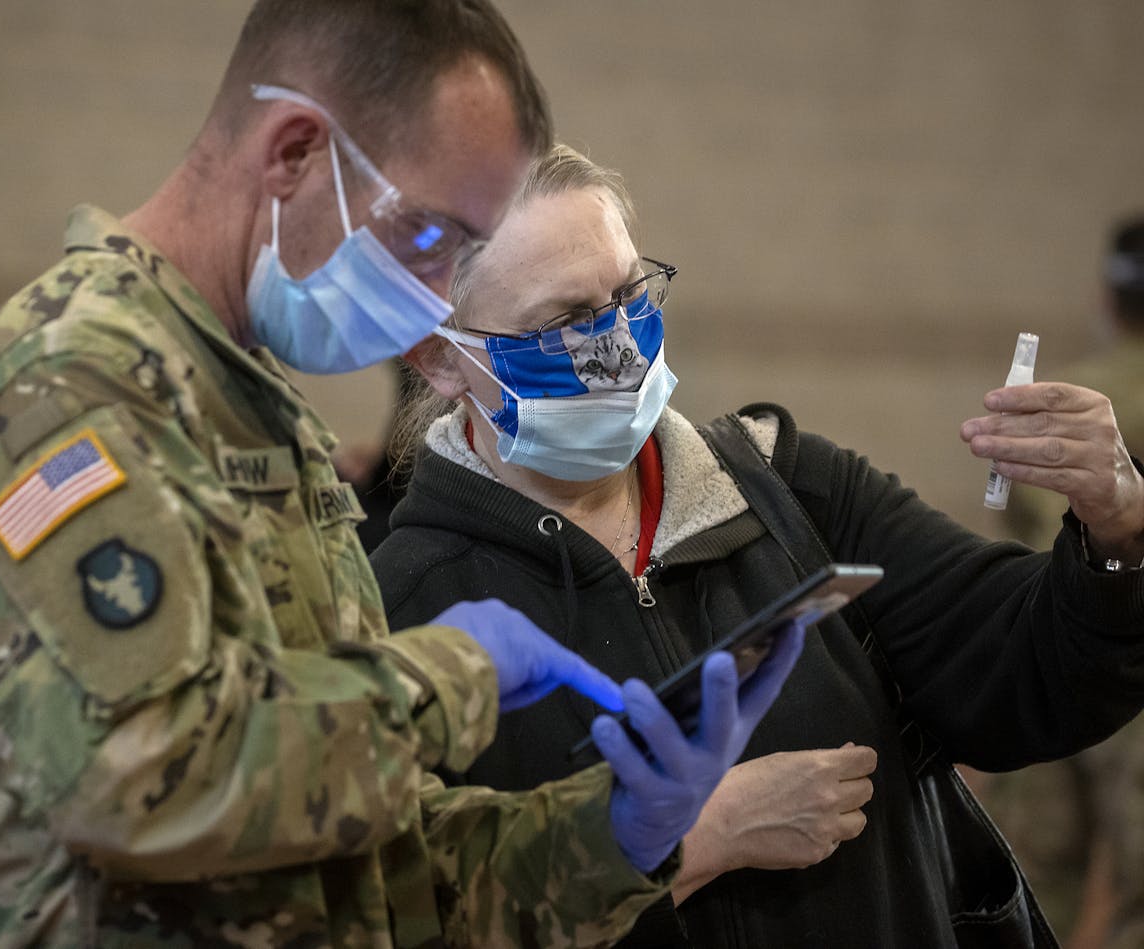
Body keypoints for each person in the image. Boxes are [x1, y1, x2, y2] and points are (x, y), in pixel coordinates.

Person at [0, 4, 806, 947]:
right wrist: (447, 674)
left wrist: (620, 830)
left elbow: (369, 872)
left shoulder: (253, 406)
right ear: (295, 152)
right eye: (433, 240)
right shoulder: (65, 393)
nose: (439, 300)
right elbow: (142, 783)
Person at [371, 145, 1144, 948]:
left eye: (629, 293)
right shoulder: (401, 611)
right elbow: (404, 912)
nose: (616, 342)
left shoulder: (788, 491)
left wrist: (1116, 532)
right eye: (564, 322)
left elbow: (1029, 675)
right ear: (441, 357)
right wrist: (694, 840)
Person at [971, 213, 1144, 949]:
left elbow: (1007, 535)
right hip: (1128, 647)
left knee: (1039, 864)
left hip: (1054, 645)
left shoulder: (1070, 404)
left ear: (1108, 297)